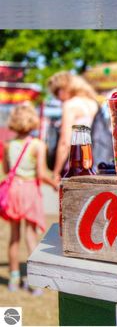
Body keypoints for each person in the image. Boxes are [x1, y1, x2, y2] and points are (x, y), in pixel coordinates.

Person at [1, 103, 57, 293]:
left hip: (14, 192)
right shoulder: (37, 145)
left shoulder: (8, 145)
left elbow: (7, 171)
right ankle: (33, 281)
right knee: (30, 236)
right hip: (30, 191)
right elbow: (41, 174)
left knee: (14, 237)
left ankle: (13, 279)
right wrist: (54, 184)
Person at [46, 72, 100, 180]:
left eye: (57, 92)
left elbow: (65, 142)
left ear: (65, 87)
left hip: (76, 163)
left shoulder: (70, 105)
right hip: (93, 162)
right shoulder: (93, 103)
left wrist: (56, 172)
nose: (57, 97)